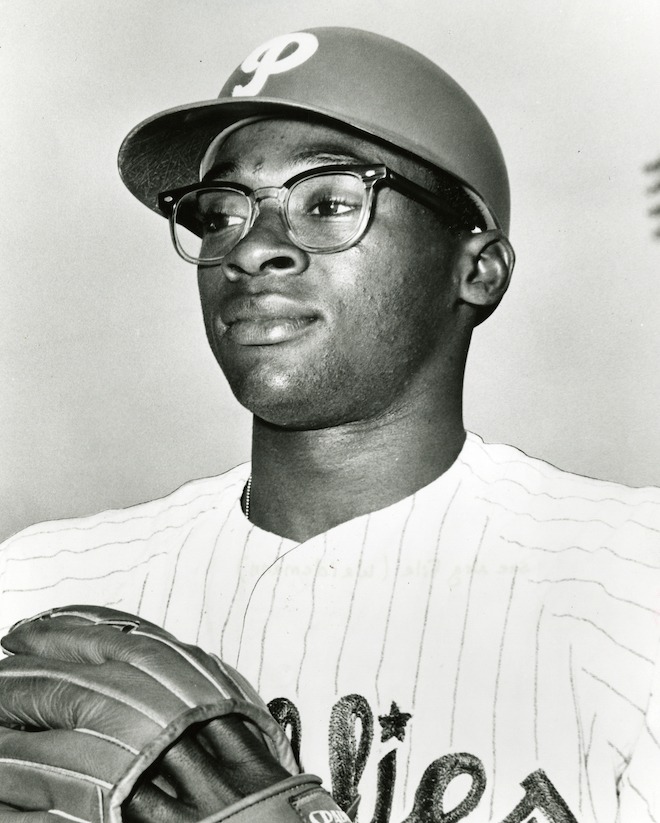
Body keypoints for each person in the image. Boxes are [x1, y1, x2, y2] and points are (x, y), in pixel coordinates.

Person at [0, 26, 659, 823]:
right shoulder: (43, 585)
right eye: (218, 214)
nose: (252, 250)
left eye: (330, 201)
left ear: (477, 269)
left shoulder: (632, 585)